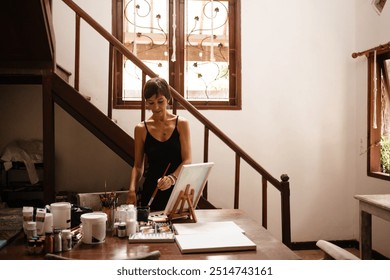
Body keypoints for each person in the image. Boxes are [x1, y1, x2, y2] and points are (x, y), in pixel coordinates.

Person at [126, 77, 192, 211]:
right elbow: (138, 166)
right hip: (152, 188)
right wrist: (132, 189)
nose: (155, 107)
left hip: (177, 188)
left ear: (168, 99)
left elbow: (187, 160)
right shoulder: (141, 128)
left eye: (160, 101)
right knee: (152, 229)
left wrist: (172, 178)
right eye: (151, 103)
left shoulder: (181, 123)